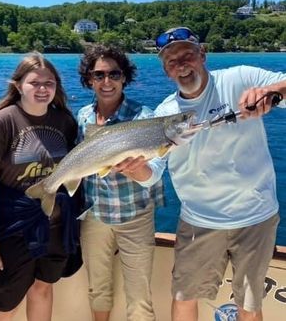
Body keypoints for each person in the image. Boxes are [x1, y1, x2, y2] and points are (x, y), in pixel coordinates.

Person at [154, 26, 286, 321]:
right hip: (198, 221)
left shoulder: (240, 78)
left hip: (256, 218)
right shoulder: (163, 114)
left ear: (203, 54)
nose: (181, 65)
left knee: (250, 306)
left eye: (187, 55)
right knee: (184, 297)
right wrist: (136, 169)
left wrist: (273, 92)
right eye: (172, 61)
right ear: (166, 71)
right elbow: (151, 172)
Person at [0, 52, 82, 321]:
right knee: (6, 303)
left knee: (43, 288)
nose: (43, 89)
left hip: (55, 225)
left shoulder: (65, 122)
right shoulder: (3, 122)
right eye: (35, 83)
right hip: (12, 230)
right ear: (18, 85)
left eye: (50, 83)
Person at [77, 44, 165, 321]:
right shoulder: (83, 117)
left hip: (135, 216)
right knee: (98, 289)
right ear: (89, 79)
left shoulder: (145, 118)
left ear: (124, 77)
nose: (107, 82)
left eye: (114, 74)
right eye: (99, 75)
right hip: (94, 216)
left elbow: (155, 172)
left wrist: (137, 171)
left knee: (140, 296)